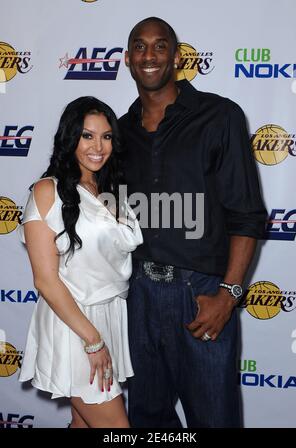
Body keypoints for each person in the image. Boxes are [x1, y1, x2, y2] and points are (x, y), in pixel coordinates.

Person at [118, 17, 267, 428]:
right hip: (137, 297)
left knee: (214, 418)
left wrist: (229, 293)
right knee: (148, 421)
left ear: (176, 57)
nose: (150, 55)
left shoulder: (219, 116)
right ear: (128, 58)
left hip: (200, 295)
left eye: (160, 46)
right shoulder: (119, 131)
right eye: (140, 47)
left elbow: (247, 216)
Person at [19, 96, 142, 428]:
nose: (98, 146)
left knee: (84, 423)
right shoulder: (47, 190)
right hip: (75, 326)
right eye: (87, 135)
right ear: (69, 137)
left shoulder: (109, 189)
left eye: (106, 136)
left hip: (108, 316)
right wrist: (92, 339)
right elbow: (45, 280)